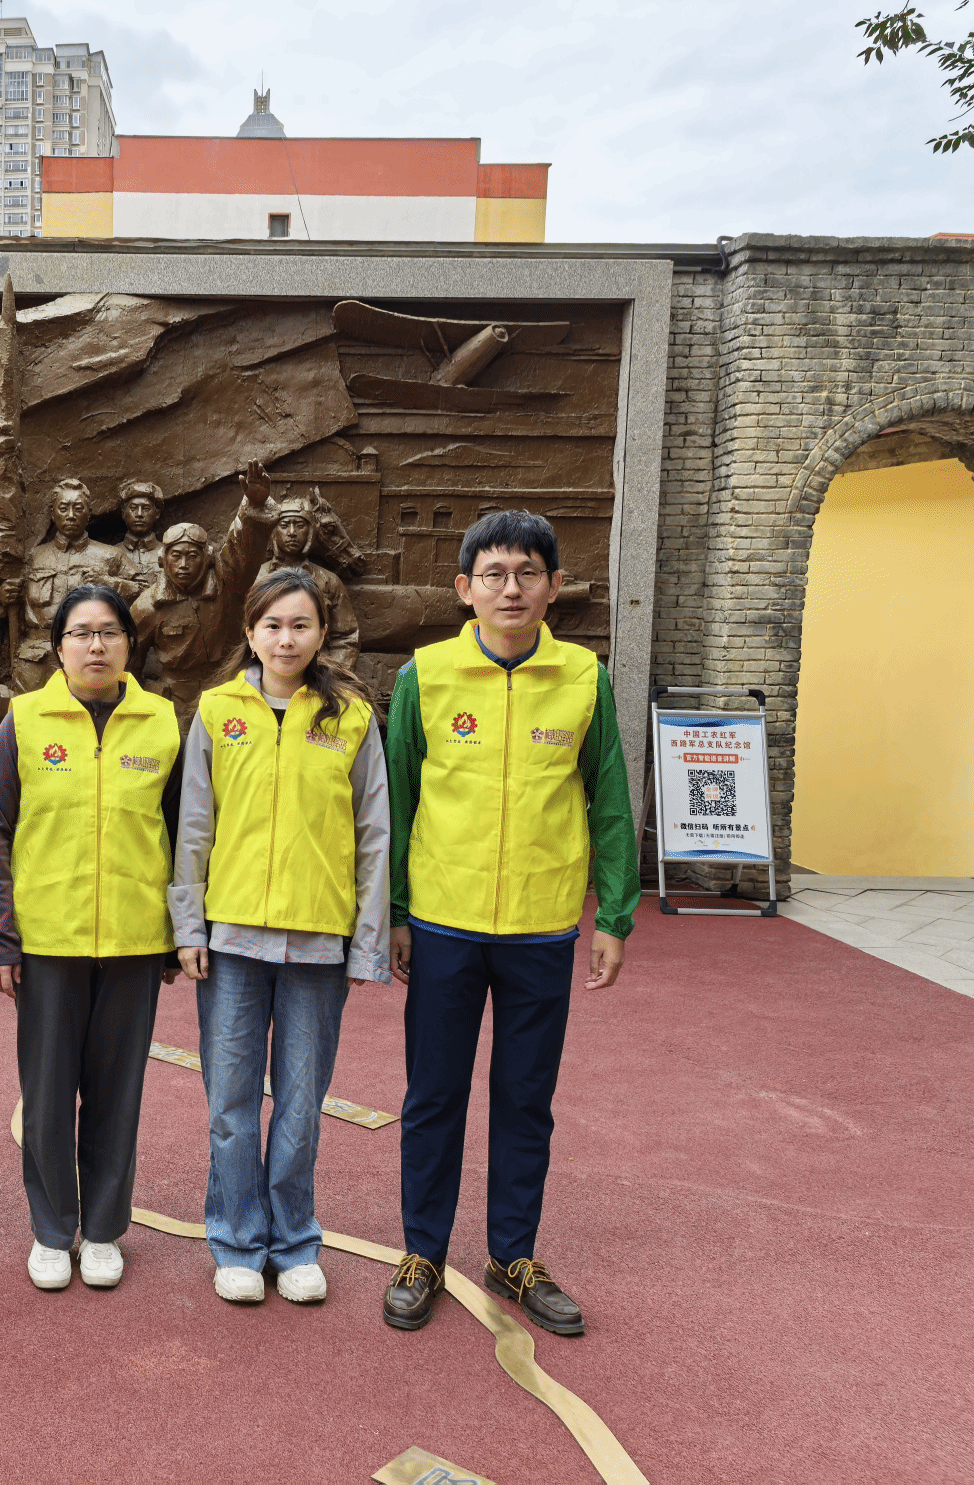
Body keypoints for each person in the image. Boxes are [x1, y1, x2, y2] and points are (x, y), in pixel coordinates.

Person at [380, 510, 639, 1338]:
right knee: (434, 1096)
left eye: (528, 573)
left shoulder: (582, 677)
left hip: (541, 924)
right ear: (465, 588)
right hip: (444, 923)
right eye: (493, 574)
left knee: (526, 1099)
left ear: (554, 586)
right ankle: (422, 1252)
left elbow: (609, 799)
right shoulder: (426, 676)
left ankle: (512, 1255)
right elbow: (397, 798)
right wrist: (395, 912)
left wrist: (616, 914)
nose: (511, 589)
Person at [172, 568, 390, 1306]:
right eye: (272, 625)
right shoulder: (218, 711)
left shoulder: (350, 717)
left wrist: (366, 942)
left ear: (322, 633)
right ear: (250, 632)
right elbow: (194, 825)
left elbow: (373, 832)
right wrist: (188, 926)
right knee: (231, 1104)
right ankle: (237, 1240)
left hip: (318, 942)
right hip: (232, 940)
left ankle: (294, 1242)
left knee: (300, 1106)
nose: (286, 639)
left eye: (301, 625)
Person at [0, 584, 183, 1293]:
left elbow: (184, 832)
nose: (96, 646)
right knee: (47, 1094)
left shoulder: (163, 723)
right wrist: (0, 937)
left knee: (117, 1095)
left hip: (133, 940)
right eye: (81, 633)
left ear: (130, 644)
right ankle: (50, 1228)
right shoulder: (25, 720)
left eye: (110, 633)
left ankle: (102, 1230)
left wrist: (174, 934)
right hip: (47, 941)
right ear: (58, 646)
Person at [131, 463, 275, 726]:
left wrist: (253, 506)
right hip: (173, 700)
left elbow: (241, 550)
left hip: (226, 688)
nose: (183, 565)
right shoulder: (147, 607)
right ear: (163, 559)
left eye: (192, 556)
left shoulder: (225, 584)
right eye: (176, 556)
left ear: (207, 558)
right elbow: (129, 664)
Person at [0, 478, 139, 692]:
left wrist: (110, 583)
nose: (71, 515)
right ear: (52, 513)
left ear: (89, 513)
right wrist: (0, 597)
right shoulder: (33, 557)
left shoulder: (111, 556)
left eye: (78, 508)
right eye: (63, 508)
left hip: (89, 655)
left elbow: (144, 594)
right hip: (36, 661)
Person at [256, 494, 360, 668]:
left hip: (318, 674)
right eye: (284, 526)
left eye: (300, 526)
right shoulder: (257, 577)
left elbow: (346, 638)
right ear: (274, 531)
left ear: (311, 532)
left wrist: (331, 677)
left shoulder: (329, 581)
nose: (292, 533)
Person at [117, 479, 167, 591]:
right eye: (133, 508)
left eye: (146, 509)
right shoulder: (112, 553)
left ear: (157, 514)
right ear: (123, 513)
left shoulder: (168, 554)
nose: (139, 514)